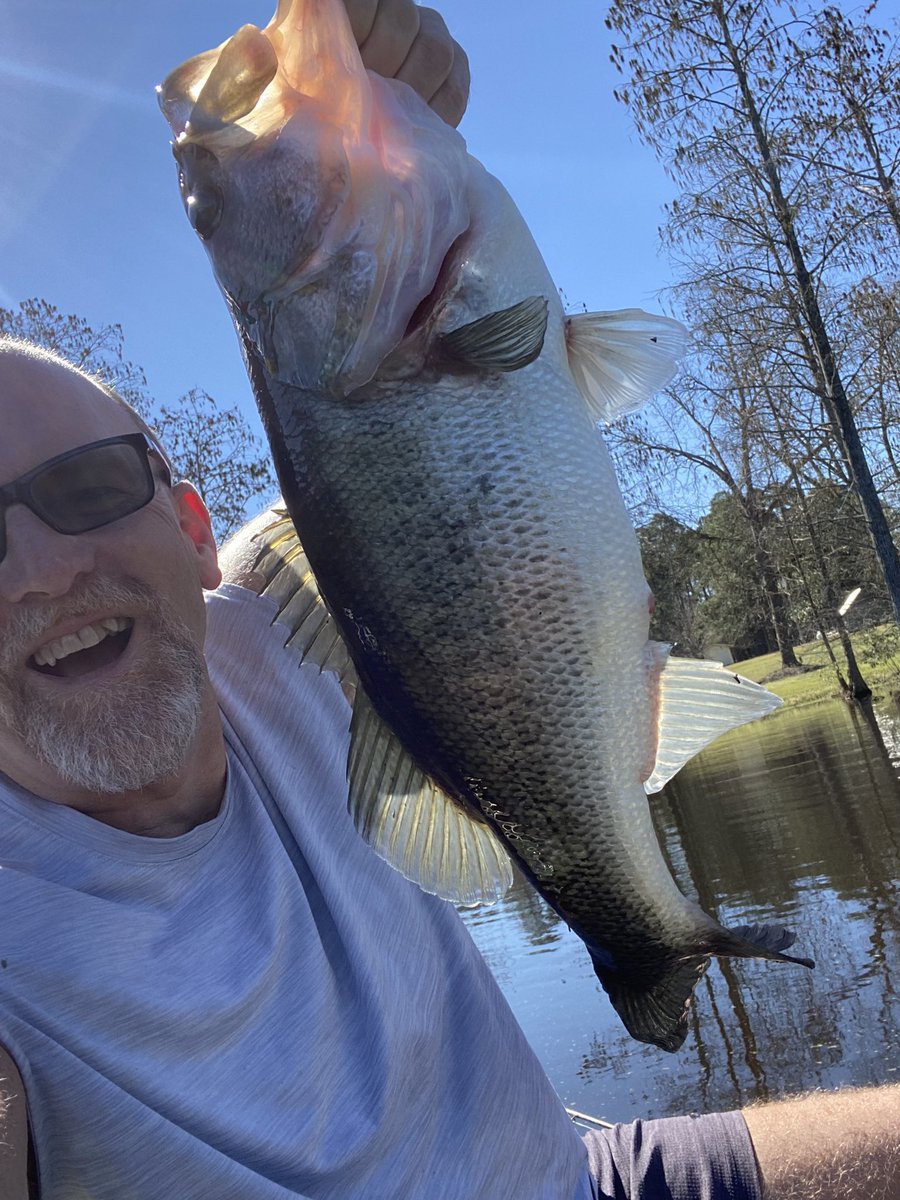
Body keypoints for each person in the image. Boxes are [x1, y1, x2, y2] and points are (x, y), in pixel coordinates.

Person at [1, 6, 899, 1200]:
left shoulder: (288, 621)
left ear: (198, 534)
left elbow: (390, 488)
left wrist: (383, 106)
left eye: (87, 486)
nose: (35, 572)